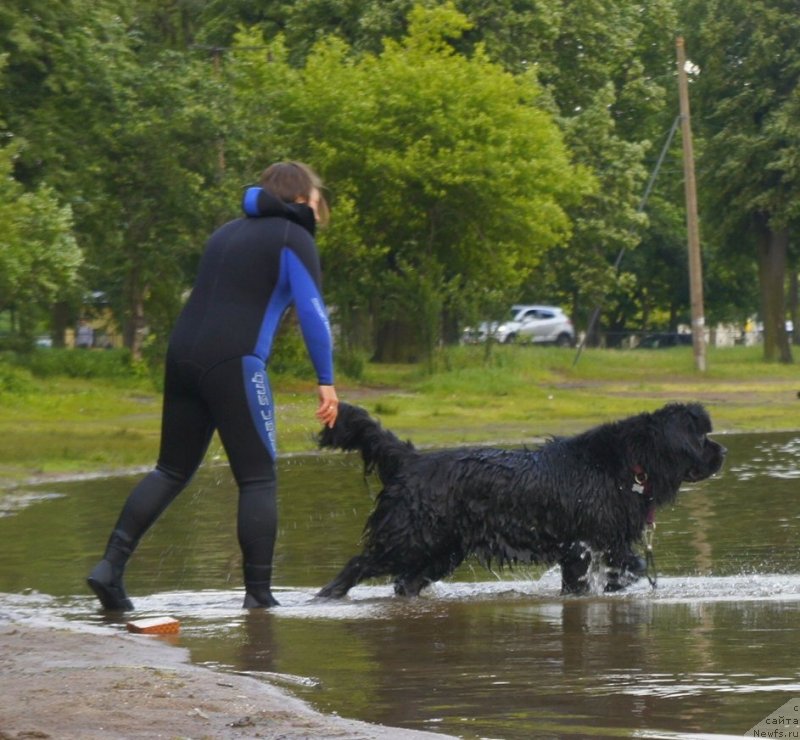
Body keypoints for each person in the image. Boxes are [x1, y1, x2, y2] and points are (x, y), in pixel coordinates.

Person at [87, 162, 339, 611]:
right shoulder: (293, 236)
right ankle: (259, 597)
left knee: (170, 470)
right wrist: (326, 381)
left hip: (181, 358)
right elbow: (314, 313)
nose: (322, 203)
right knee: (259, 479)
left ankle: (109, 568)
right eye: (318, 194)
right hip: (234, 362)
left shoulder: (224, 233)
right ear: (303, 197)